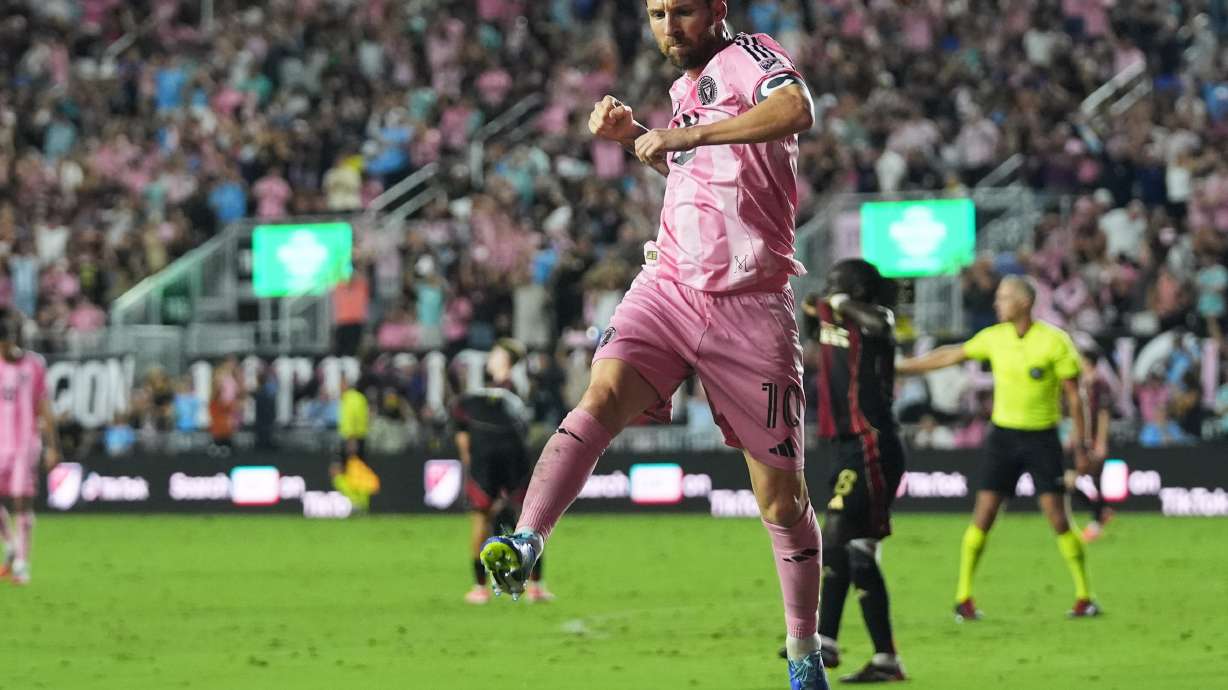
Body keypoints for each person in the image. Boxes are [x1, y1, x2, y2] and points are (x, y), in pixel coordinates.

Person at [478, 2, 827, 686]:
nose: (669, 25)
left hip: (751, 307)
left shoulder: (750, 58)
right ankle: (526, 541)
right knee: (602, 393)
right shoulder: (682, 92)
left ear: (717, 10)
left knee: (782, 502)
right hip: (668, 285)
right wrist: (638, 133)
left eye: (683, 10)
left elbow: (796, 111)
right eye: (657, 12)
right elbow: (704, 177)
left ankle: (804, 651)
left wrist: (680, 136)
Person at [897, 277, 1099, 620]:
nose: (997, 303)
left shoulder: (1053, 342)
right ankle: (963, 598)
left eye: (1003, 297)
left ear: (1024, 302)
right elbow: (952, 354)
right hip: (1002, 438)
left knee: (1057, 517)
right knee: (984, 515)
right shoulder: (995, 338)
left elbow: (1075, 398)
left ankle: (1084, 596)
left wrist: (1082, 444)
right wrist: (902, 367)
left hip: (1041, 437)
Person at [800, 259, 907, 682]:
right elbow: (812, 333)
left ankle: (826, 641)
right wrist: (817, 309)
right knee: (854, 550)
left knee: (839, 535)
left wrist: (840, 302)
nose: (828, 289)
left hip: (871, 443)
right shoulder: (835, 315)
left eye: (836, 283)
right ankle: (876, 657)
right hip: (843, 443)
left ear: (857, 288)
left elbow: (879, 327)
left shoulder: (877, 317)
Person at [456, 339, 552, 605]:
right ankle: (479, 587)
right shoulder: (481, 391)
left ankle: (535, 585)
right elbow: (462, 427)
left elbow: (516, 403)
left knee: (527, 519)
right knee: (481, 520)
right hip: (486, 457)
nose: (491, 357)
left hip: (512, 456)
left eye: (496, 353)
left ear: (507, 359)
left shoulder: (516, 387)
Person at [0, 308, 61, 585]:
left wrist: (52, 446)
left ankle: (22, 564)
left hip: (24, 445)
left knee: (21, 502)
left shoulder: (34, 365)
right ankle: (10, 545)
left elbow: (43, 406)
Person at [1070, 342, 1114, 542]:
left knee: (1095, 481)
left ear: (1089, 363)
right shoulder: (1080, 385)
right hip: (1081, 440)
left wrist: (1101, 442)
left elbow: (1104, 415)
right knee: (1069, 482)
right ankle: (1101, 512)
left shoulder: (1100, 385)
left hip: (1095, 439)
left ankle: (1096, 524)